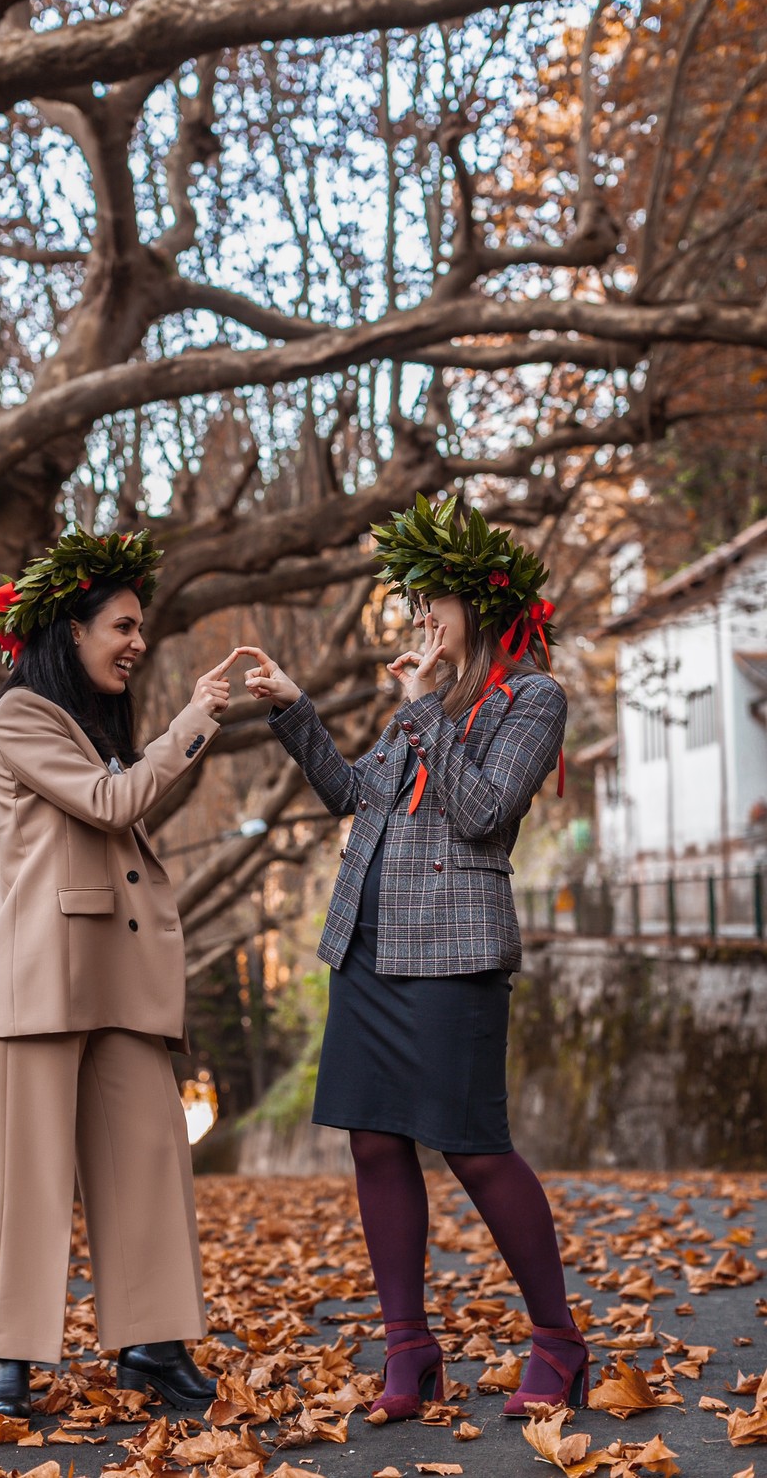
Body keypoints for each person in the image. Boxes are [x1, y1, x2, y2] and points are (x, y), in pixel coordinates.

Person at [236, 494, 587, 1422]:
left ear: (480, 605)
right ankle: (409, 1349)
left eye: (435, 600)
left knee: (473, 1149)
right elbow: (355, 796)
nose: (421, 616)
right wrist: (294, 711)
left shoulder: (532, 700)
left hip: (457, 954)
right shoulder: (417, 708)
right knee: (375, 1142)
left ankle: (557, 1339)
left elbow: (478, 814)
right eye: (416, 601)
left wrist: (425, 704)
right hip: (369, 948)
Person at [0, 525, 238, 1418]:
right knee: (24, 1171)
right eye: (121, 625)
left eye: (138, 627)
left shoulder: (87, 725)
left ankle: (152, 1343)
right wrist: (196, 719)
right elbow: (112, 804)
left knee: (149, 1158)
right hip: (44, 976)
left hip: (119, 975)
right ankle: (7, 1356)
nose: (137, 642)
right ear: (69, 633)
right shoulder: (21, 716)